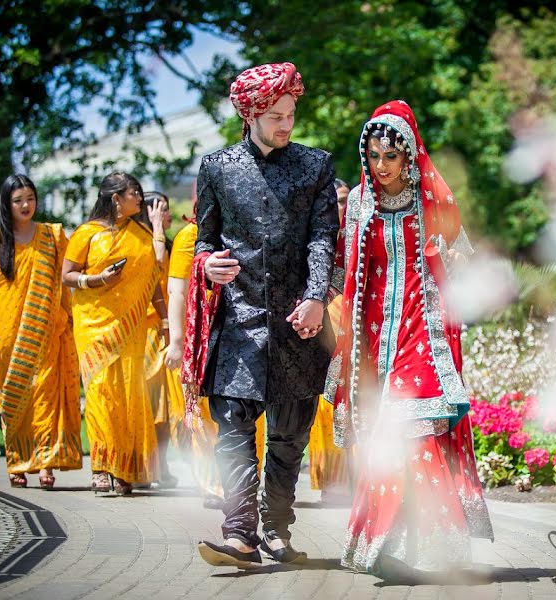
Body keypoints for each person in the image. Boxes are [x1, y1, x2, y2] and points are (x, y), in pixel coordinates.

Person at [326, 101, 493, 579]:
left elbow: (463, 260)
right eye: (374, 157)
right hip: (376, 342)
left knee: (412, 429)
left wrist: (450, 263)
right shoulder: (360, 201)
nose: (381, 167)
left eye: (390, 158)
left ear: (408, 155)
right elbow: (345, 270)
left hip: (423, 335)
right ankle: (390, 542)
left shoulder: (431, 199)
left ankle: (434, 545)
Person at [193, 62, 338, 570]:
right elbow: (203, 241)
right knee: (232, 431)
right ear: (250, 113)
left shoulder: (316, 166)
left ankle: (276, 530)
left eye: (291, 113)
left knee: (290, 434)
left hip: (300, 321)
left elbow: (324, 239)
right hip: (238, 320)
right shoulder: (216, 167)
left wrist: (317, 296)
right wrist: (206, 264)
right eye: (275, 115)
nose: (286, 124)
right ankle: (238, 535)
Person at [0, 175, 82, 487]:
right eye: (18, 200)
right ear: (7, 203)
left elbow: (69, 273)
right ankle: (17, 461)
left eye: (30, 198)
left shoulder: (51, 235)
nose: (26, 205)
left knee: (44, 396)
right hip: (6, 329)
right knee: (12, 398)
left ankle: (44, 462)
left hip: (46, 327)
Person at [62, 172, 167, 495]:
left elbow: (152, 285)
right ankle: (102, 466)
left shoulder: (140, 234)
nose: (139, 198)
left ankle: (127, 469)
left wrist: (164, 320)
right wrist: (96, 281)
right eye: (133, 193)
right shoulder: (87, 234)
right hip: (94, 328)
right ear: (115, 198)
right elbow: (67, 276)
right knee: (101, 395)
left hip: (132, 327)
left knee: (129, 398)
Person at [164, 191, 263, 510]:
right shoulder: (189, 236)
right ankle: (212, 482)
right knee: (206, 413)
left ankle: (243, 481)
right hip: (203, 336)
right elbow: (176, 290)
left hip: (246, 334)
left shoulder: (249, 232)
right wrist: (178, 341)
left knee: (246, 410)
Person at [307, 178, 354, 502]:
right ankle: (329, 480)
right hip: (320, 326)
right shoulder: (311, 238)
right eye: (337, 201)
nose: (343, 207)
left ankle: (354, 481)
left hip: (356, 324)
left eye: (346, 200)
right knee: (324, 401)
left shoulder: (361, 235)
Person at [135, 191, 180, 488]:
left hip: (166, 331)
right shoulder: (140, 242)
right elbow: (156, 261)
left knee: (164, 406)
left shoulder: (176, 244)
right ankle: (140, 467)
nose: (169, 216)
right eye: (162, 209)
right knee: (146, 402)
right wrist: (155, 229)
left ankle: (160, 465)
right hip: (141, 331)